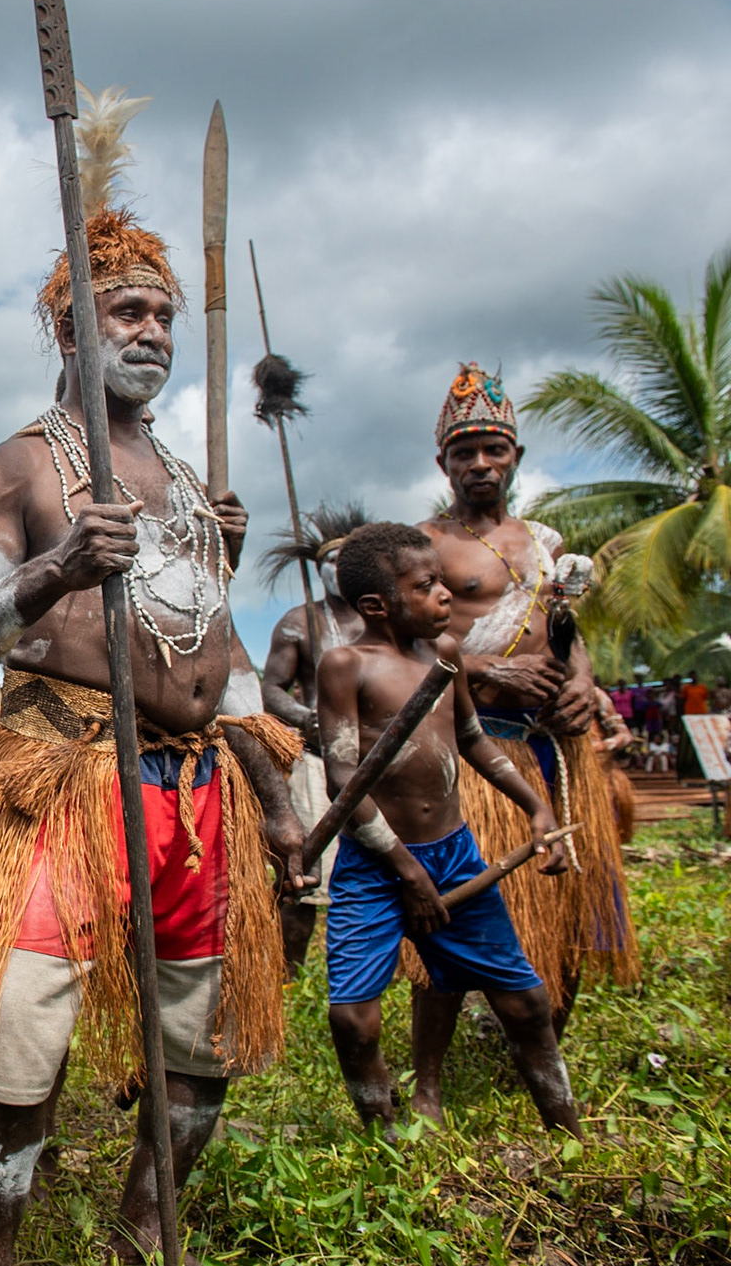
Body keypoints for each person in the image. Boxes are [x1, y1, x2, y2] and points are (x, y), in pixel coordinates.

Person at [0, 87, 307, 1266]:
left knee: (199, 1037)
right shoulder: (26, 465)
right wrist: (50, 571)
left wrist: (279, 797)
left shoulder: (194, 489)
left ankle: (147, 1235)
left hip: (198, 795)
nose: (146, 331)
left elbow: (223, 658)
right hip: (66, 779)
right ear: (70, 334)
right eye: (121, 312)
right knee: (20, 1044)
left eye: (161, 315)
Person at [316, 523, 578, 1133]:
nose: (445, 596)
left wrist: (534, 806)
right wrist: (407, 872)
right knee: (353, 1019)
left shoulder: (446, 655)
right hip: (377, 865)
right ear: (376, 605)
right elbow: (343, 782)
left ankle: (568, 1132)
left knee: (526, 1002)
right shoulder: (346, 665)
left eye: (441, 581)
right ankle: (383, 1137)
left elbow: (473, 741)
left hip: (457, 856)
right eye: (426, 585)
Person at [418, 363, 637, 1040]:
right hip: (484, 744)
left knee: (567, 901)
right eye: (465, 452)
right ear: (444, 462)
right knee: (464, 904)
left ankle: (545, 1049)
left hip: (560, 746)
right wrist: (492, 670)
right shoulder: (424, 544)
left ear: (516, 456)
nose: (481, 463)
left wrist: (580, 686)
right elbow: (406, 646)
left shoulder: (548, 545)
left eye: (494, 449)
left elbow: (568, 636)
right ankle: (431, 1073)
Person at [259, 503, 372, 973]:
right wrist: (307, 718)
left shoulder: (383, 619)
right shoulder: (298, 622)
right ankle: (289, 969)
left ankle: (368, 959)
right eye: (330, 562)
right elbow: (270, 689)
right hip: (317, 762)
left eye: (348, 561)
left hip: (377, 764)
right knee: (305, 872)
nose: (338, 571)